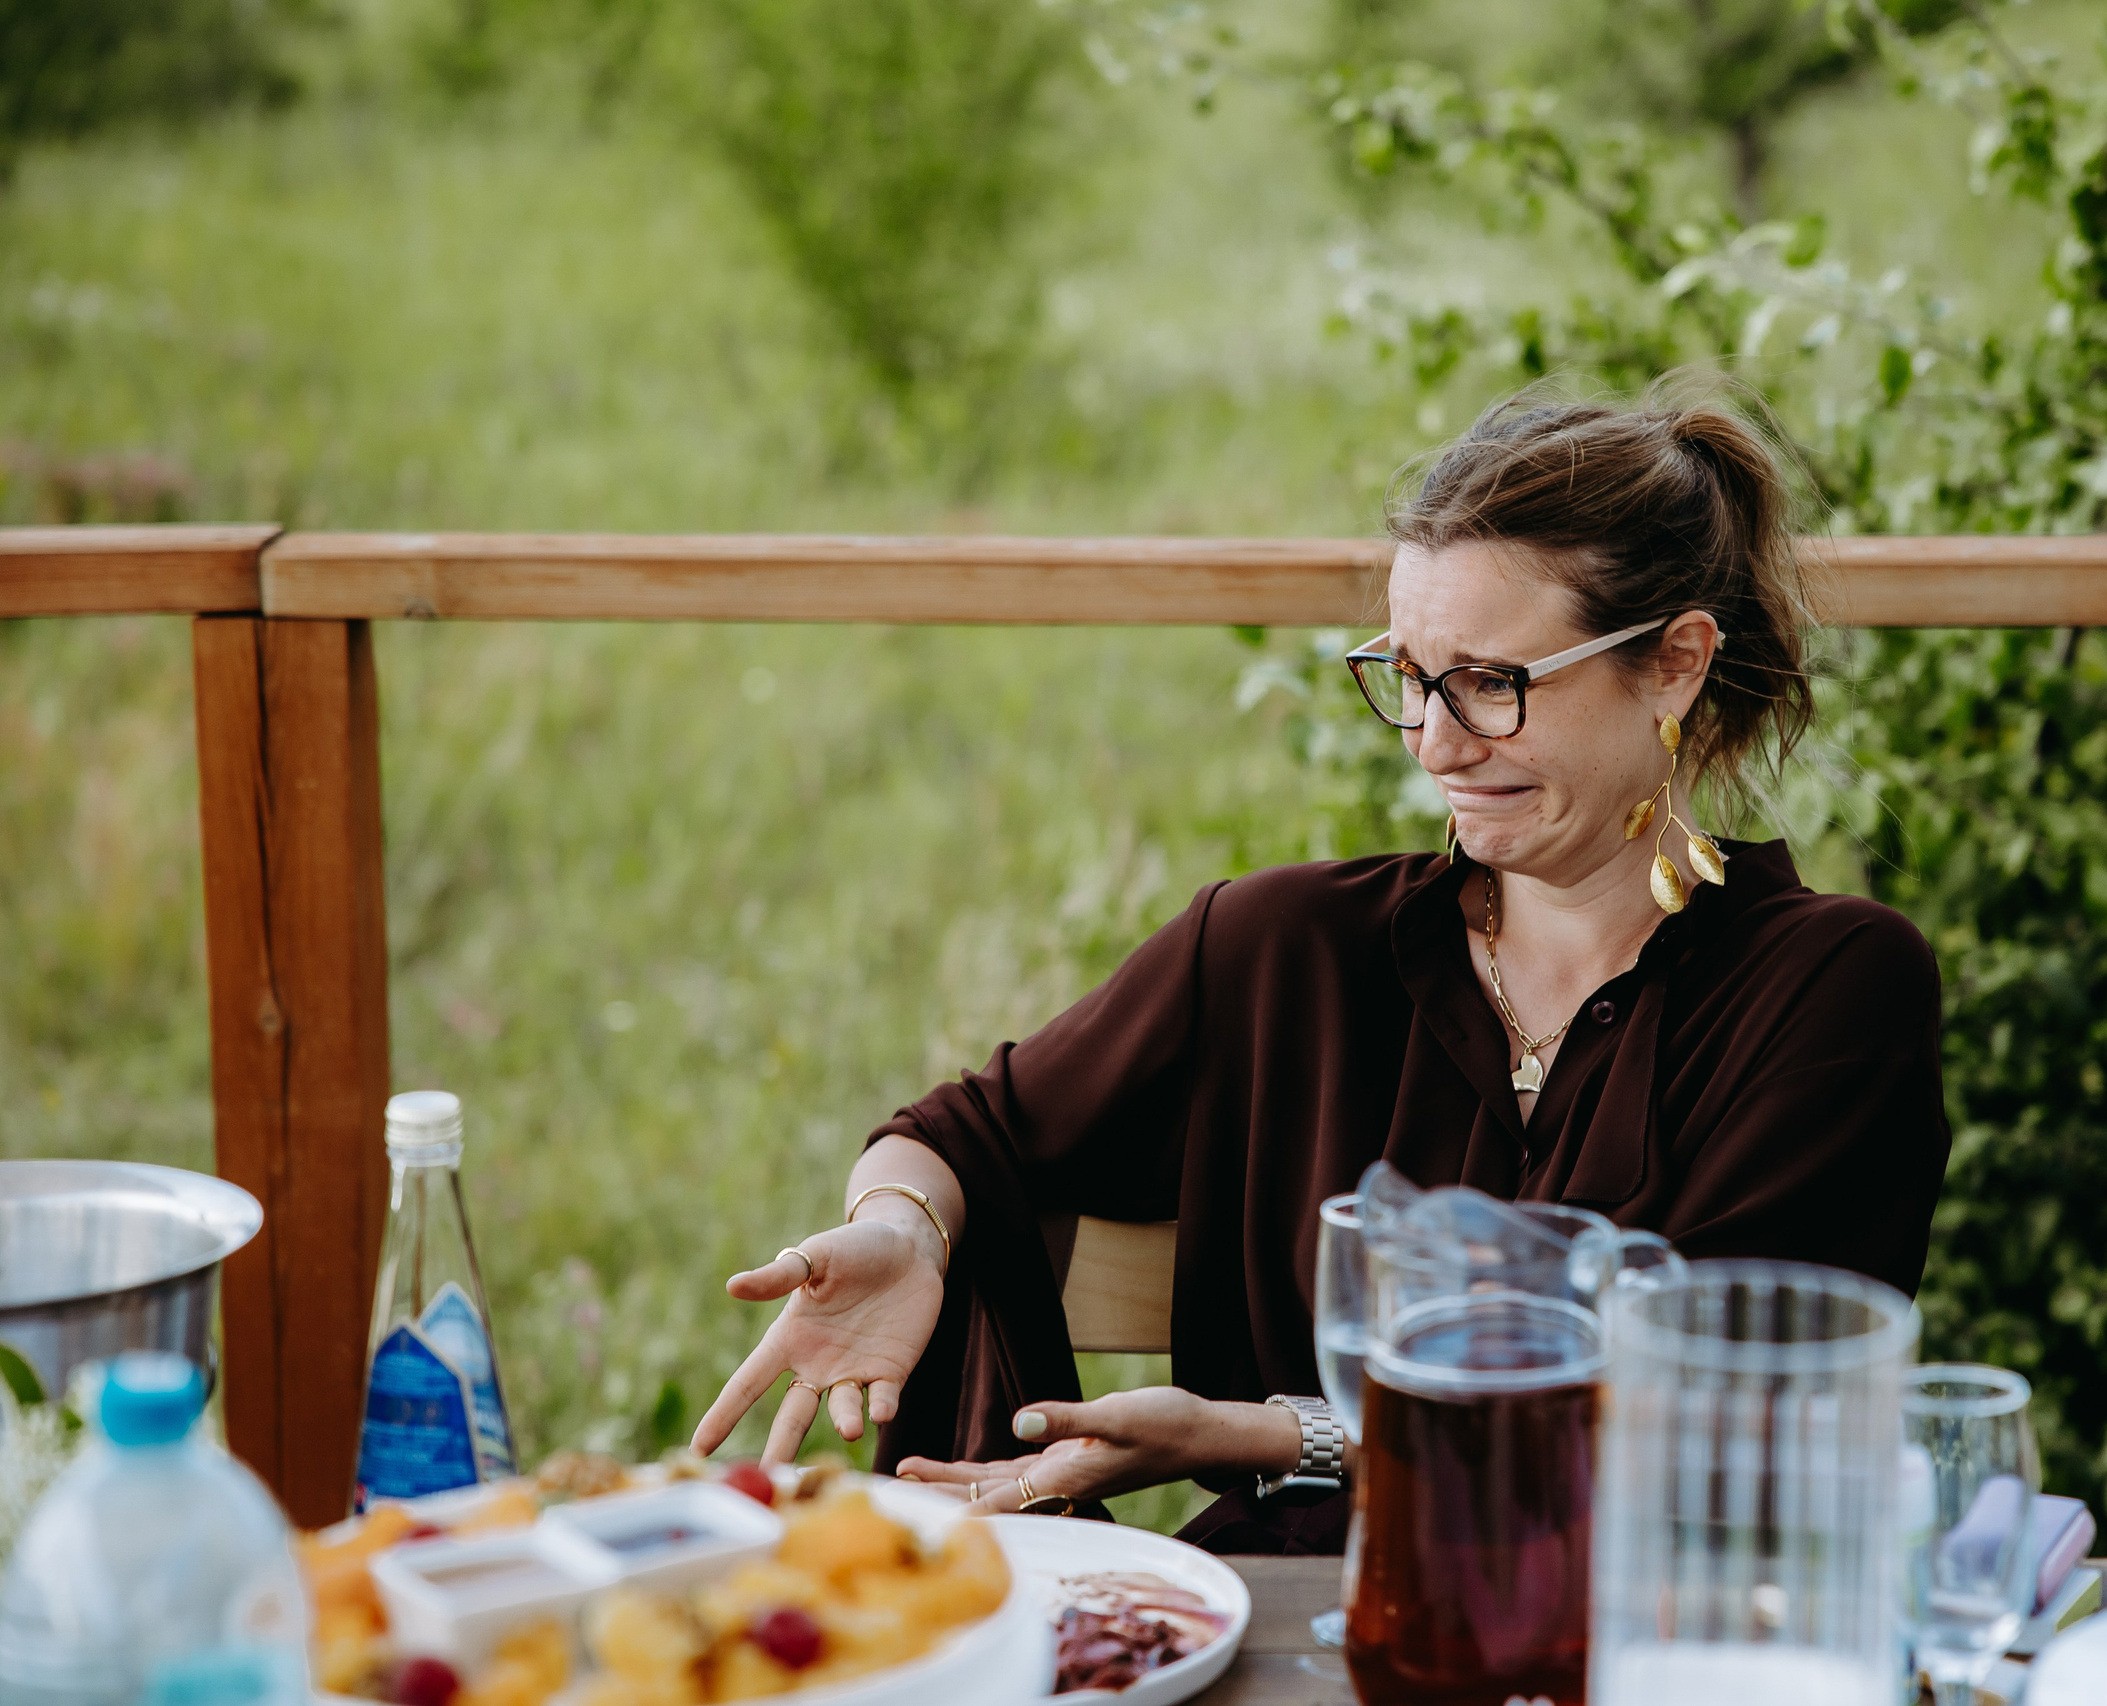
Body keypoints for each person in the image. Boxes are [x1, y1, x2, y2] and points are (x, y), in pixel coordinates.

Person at [692, 390, 1952, 1554]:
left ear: (1674, 659)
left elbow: (1703, 1405)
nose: (1435, 745)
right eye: (1407, 678)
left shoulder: (1832, 988)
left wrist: (1262, 1432)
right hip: (1289, 1617)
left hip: (1651, 1632)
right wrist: (901, 1230)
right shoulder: (1278, 947)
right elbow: (966, 1132)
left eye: (1492, 683)